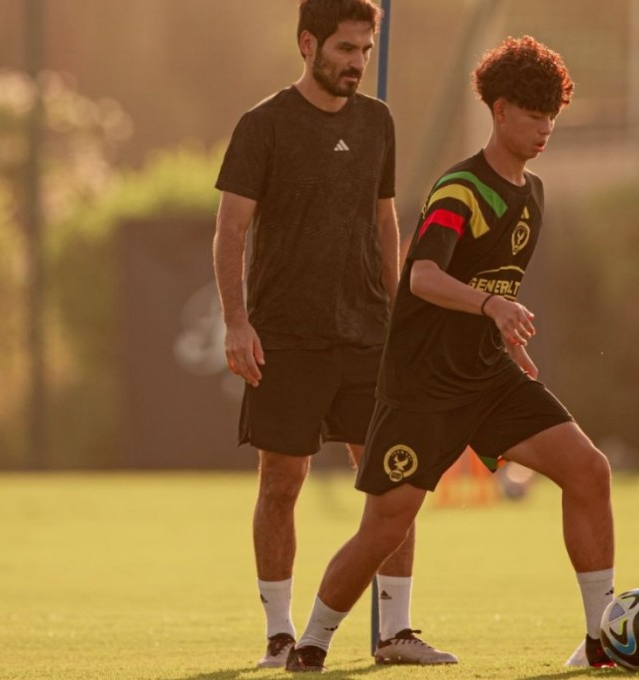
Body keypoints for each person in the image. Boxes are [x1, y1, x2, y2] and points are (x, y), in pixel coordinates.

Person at [285, 35, 618, 672]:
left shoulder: (533, 192)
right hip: (422, 386)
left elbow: (492, 283)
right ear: (498, 111)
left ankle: (602, 639)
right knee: (385, 527)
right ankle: (312, 643)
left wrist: (501, 335)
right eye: (532, 114)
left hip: (489, 378)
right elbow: (423, 278)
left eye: (553, 116)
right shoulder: (462, 188)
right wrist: (493, 308)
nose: (545, 128)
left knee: (589, 471)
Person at [212, 0, 457, 669]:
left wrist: (402, 317)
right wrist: (237, 322)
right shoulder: (261, 126)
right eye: (346, 50)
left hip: (368, 337)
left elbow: (386, 222)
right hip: (285, 338)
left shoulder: (378, 123)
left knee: (394, 481)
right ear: (307, 43)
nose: (356, 64)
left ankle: (395, 632)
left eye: (365, 52)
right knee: (281, 484)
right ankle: (279, 635)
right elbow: (231, 230)